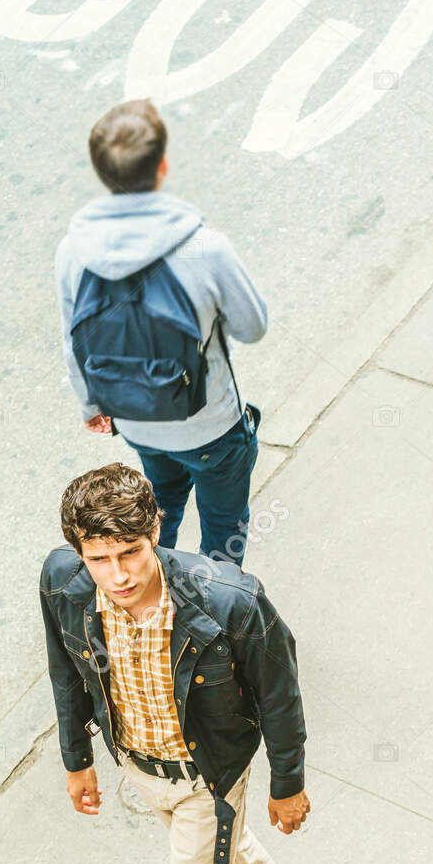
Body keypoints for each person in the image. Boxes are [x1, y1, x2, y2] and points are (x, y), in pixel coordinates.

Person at [40, 463, 312, 864]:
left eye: (131, 552)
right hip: (138, 763)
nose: (120, 575)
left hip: (208, 772)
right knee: (225, 849)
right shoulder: (62, 581)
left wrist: (287, 782)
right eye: (99, 558)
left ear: (155, 528)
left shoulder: (229, 600)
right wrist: (75, 755)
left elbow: (280, 693)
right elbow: (64, 667)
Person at [55, 98, 268, 567]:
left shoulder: (74, 250)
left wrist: (91, 405)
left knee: (161, 507)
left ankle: (152, 580)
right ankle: (211, 604)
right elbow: (253, 327)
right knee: (223, 525)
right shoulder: (205, 247)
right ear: (163, 166)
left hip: (136, 419)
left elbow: (74, 340)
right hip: (210, 423)